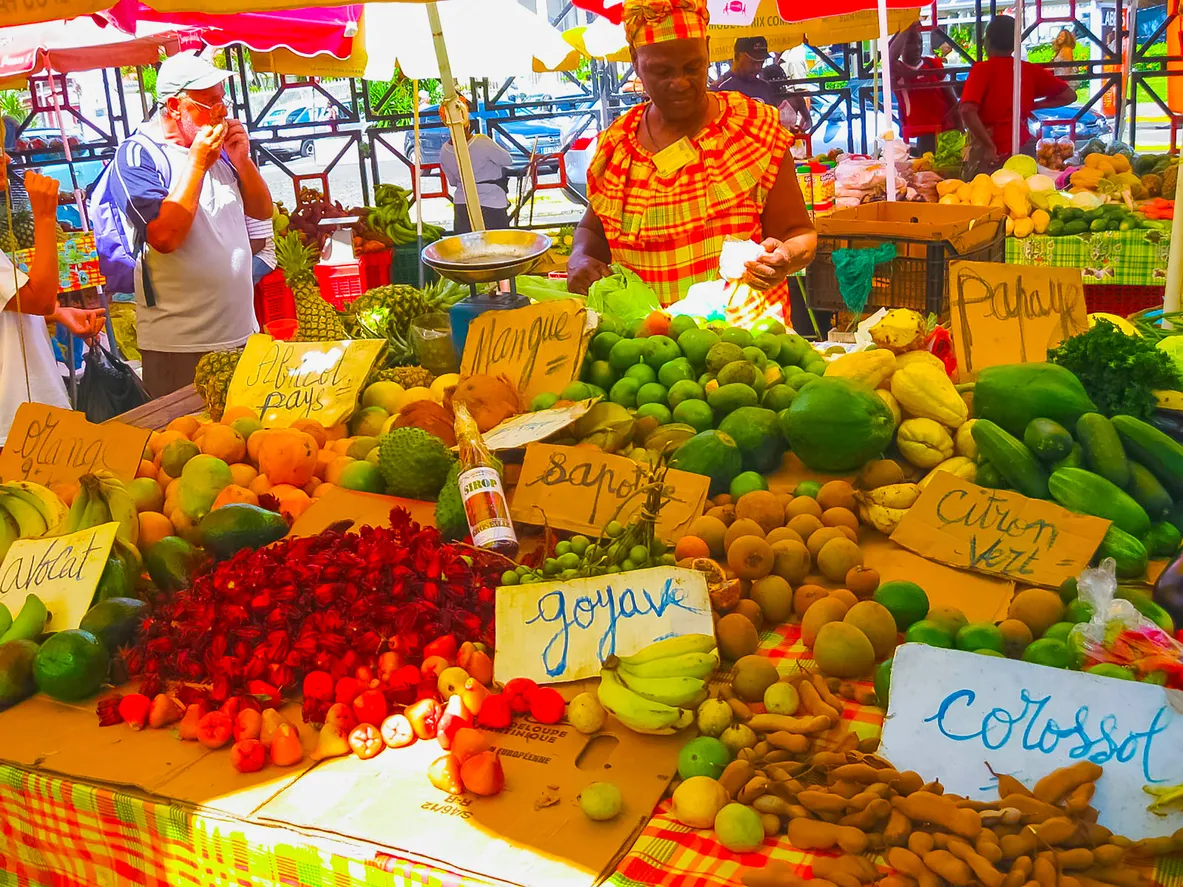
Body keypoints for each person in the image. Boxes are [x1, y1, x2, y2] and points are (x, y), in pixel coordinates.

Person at [567, 0, 816, 317]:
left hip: (746, 348)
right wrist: (580, 257)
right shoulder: (619, 145)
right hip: (647, 351)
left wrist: (786, 255)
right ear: (635, 61)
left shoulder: (751, 128)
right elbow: (592, 230)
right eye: (662, 71)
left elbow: (798, 232)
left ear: (708, 51)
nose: (680, 82)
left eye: (692, 67)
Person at [112, 50, 271, 398]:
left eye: (222, 100)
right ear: (174, 106)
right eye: (209, 102)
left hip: (242, 331)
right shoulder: (139, 155)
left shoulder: (220, 147)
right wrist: (198, 163)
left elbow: (262, 211)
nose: (222, 111)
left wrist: (242, 162)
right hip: (180, 345)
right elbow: (165, 238)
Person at [0, 166, 106, 444]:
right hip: (16, 420)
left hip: (24, 413)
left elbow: (17, 303)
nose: (6, 158)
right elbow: (40, 298)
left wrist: (57, 312)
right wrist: (45, 216)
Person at [960, 17, 1076, 170]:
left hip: (991, 148)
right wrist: (1032, 105)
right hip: (1022, 144)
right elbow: (1070, 95)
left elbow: (967, 110)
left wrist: (989, 145)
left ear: (987, 40)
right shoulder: (1027, 70)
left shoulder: (982, 70)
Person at [438, 105, 514, 234]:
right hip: (492, 202)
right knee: (498, 246)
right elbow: (507, 160)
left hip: (463, 204)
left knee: (468, 249)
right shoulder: (482, 141)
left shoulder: (444, 151)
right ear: (467, 121)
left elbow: (452, 182)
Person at [888, 22, 959, 155]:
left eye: (919, 42)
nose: (917, 47)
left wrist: (960, 128)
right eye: (911, 43)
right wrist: (906, 26)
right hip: (919, 131)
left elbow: (951, 98)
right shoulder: (898, 70)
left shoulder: (932, 64)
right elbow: (889, 57)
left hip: (943, 129)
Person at [713, 37, 780, 105]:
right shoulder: (720, 89)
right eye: (753, 62)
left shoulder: (765, 88)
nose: (758, 67)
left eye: (761, 62)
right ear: (737, 56)